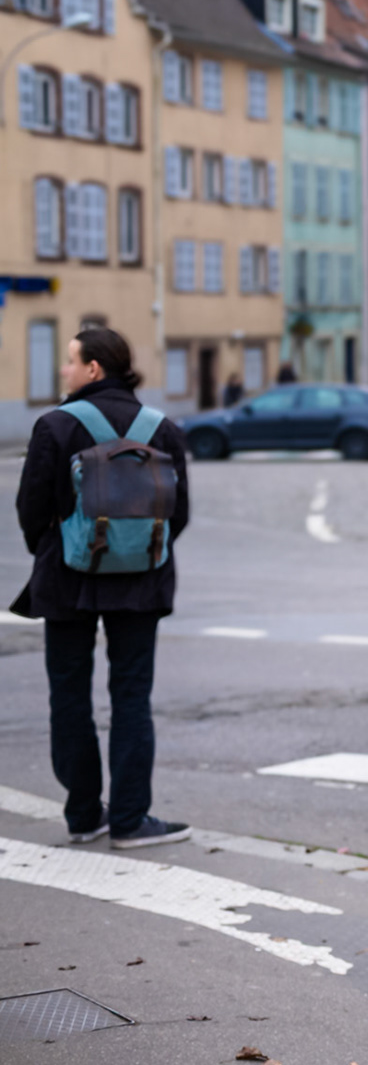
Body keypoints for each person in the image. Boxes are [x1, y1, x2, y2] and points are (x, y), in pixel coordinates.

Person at [12, 328, 192, 849]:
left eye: (70, 362)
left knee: (69, 695)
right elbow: (178, 514)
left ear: (93, 369)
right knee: (132, 696)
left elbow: (30, 509)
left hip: (66, 581)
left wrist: (58, 548)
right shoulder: (161, 429)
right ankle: (132, 819)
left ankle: (85, 815)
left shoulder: (55, 426)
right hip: (142, 583)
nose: (64, 371)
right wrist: (138, 552)